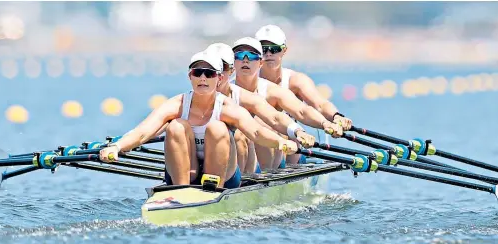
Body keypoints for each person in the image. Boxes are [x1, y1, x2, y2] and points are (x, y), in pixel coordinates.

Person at [99, 51, 298, 189]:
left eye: (209, 73)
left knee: (217, 128)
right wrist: (116, 147)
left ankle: (213, 190)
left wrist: (280, 142)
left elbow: (255, 132)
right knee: (176, 126)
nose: (203, 78)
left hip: (223, 176)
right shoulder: (177, 104)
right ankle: (181, 190)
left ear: (219, 79)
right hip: (186, 172)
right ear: (190, 76)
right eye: (197, 73)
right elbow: (142, 132)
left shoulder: (227, 107)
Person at [230, 37, 344, 171]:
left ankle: (264, 177)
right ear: (233, 61)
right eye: (239, 55)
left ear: (260, 62)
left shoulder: (274, 91)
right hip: (240, 153)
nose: (245, 60)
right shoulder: (224, 90)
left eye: (251, 56)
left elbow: (302, 111)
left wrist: (325, 123)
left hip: (279, 154)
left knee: (266, 125)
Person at [205, 42, 317, 174]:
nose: (217, 74)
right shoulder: (188, 100)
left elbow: (276, 118)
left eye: (222, 67)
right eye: (208, 70)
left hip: (261, 161)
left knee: (249, 130)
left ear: (231, 70)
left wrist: (299, 131)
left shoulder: (250, 95)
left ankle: (251, 182)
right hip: (216, 160)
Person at [255, 25, 355, 164]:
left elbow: (319, 104)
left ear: (284, 50)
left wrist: (336, 116)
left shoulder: (296, 81)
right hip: (256, 146)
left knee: (281, 131)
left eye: (275, 49)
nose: (269, 54)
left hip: (289, 151)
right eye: (263, 49)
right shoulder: (244, 82)